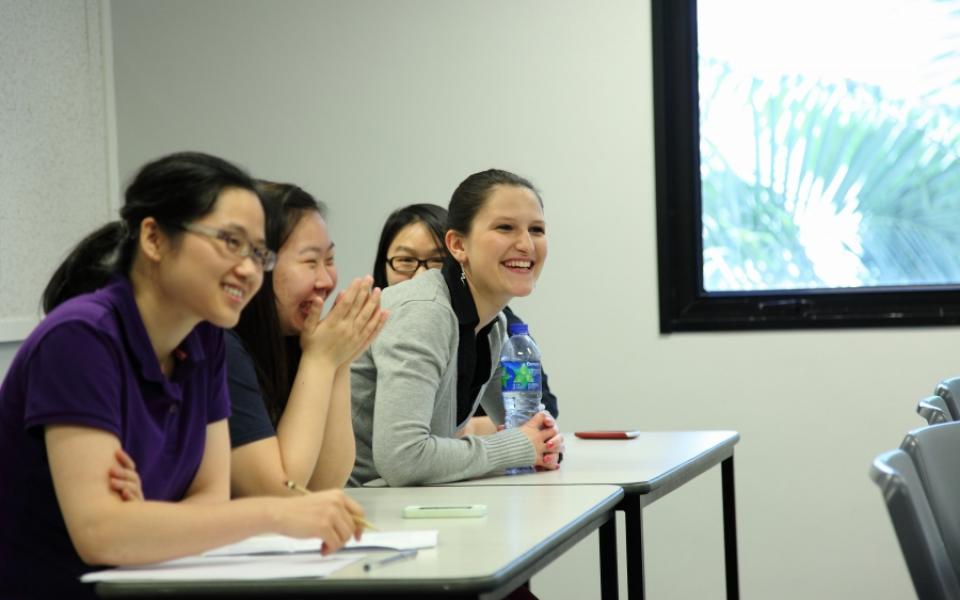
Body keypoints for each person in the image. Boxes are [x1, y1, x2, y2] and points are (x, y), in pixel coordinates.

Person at [0, 152, 365, 598]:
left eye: (257, 253)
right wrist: (273, 515)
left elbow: (209, 499)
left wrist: (148, 518)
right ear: (154, 238)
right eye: (230, 242)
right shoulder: (80, 338)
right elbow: (101, 533)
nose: (249, 269)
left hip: (153, 583)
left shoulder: (205, 339)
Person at [351, 169, 564, 487]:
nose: (525, 244)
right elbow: (403, 459)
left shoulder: (494, 325)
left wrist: (545, 443)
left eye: (536, 229)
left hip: (406, 504)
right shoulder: (425, 312)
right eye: (505, 228)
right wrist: (520, 446)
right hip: (352, 508)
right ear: (457, 245)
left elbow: (527, 424)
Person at [227, 181, 387, 496]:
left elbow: (326, 482)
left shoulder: (291, 339)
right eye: (310, 262)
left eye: (329, 261)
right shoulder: (224, 348)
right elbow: (283, 490)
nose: (326, 281)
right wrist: (322, 360)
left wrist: (339, 359)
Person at [370, 203, 559, 436]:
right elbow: (405, 453)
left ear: (457, 255)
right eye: (406, 261)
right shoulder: (381, 320)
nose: (422, 275)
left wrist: (468, 431)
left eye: (436, 261)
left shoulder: (496, 323)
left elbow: (537, 410)